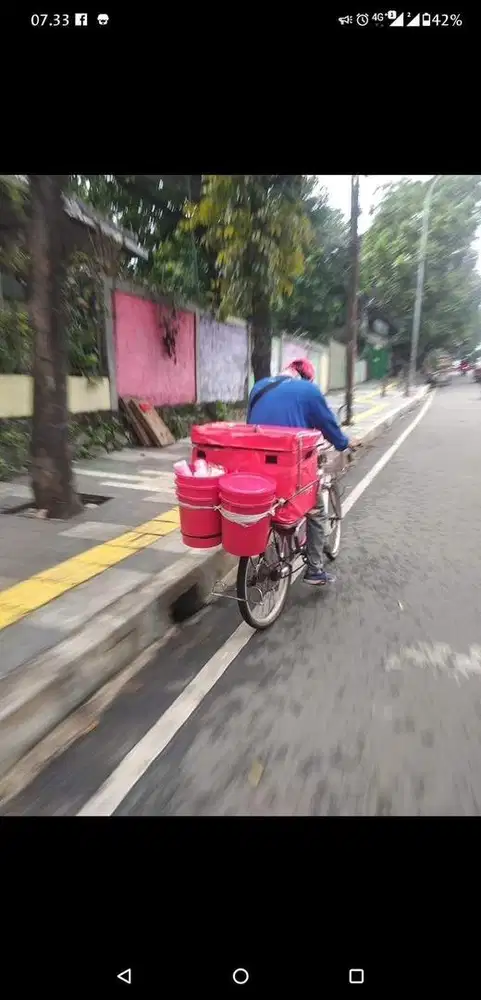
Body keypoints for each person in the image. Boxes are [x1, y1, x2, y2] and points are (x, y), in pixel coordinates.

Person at [247, 358, 361, 587]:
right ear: (307, 378)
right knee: (316, 510)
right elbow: (328, 425)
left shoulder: (259, 387)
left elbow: (252, 422)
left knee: (274, 506)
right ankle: (315, 570)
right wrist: (344, 443)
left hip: (255, 465)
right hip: (289, 469)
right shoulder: (308, 390)